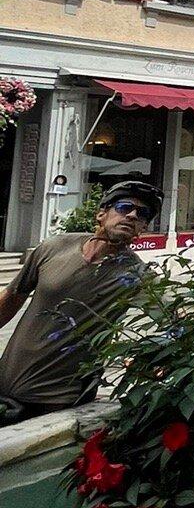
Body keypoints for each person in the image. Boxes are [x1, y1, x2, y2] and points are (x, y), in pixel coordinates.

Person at [0, 179, 157, 423]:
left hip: (59, 404)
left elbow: (178, 321)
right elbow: (11, 299)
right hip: (5, 386)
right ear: (101, 214)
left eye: (143, 214)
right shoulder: (54, 247)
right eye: (125, 207)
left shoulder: (137, 275)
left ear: (142, 228)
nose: (133, 215)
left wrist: (147, 360)